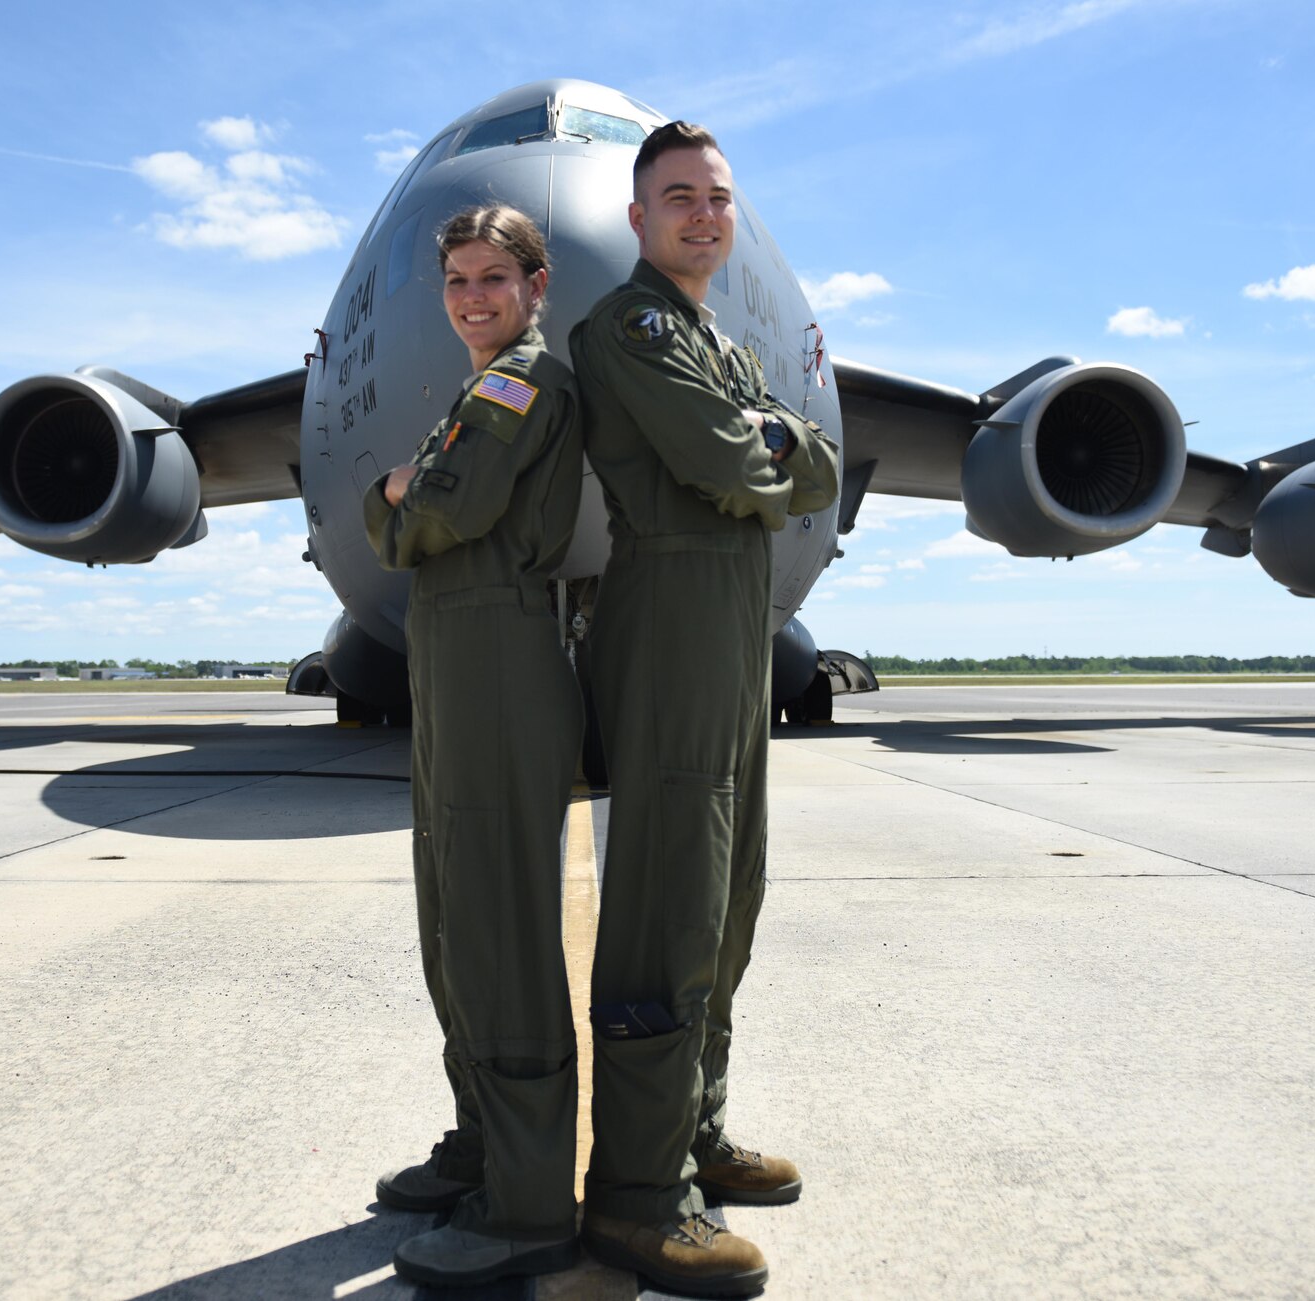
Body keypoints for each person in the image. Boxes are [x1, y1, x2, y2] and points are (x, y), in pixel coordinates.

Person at [570, 121, 840, 1297]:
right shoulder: (626, 329)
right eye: (677, 197)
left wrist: (771, 440)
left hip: (735, 636)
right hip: (673, 623)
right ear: (639, 219)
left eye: (717, 197)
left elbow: (815, 463)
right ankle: (636, 1194)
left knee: (729, 900)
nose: (702, 215)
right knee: (669, 906)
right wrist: (774, 443)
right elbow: (744, 472)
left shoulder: (713, 340)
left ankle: (692, 1127)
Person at [362, 204, 586, 1287]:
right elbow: (430, 509)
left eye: (493, 277)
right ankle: (483, 1141)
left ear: (534, 285)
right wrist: (406, 496)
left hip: (498, 654)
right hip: (453, 660)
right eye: (455, 279)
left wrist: (394, 492)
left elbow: (437, 513)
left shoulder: (519, 383)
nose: (471, 297)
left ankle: (529, 1200)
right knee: (451, 921)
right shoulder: (476, 386)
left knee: (495, 929)